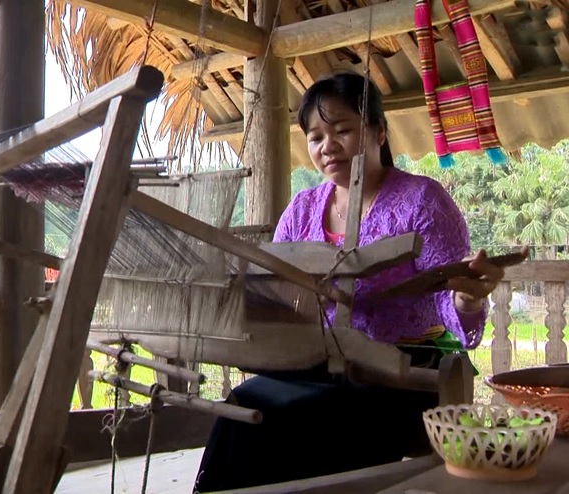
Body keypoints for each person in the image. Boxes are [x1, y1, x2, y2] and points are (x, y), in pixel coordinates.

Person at [192, 72, 511, 492]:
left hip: (403, 373)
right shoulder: (302, 209)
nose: (327, 146)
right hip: (319, 366)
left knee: (306, 419)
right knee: (244, 408)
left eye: (342, 130)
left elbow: (446, 299)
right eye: (315, 137)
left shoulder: (422, 201)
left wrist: (467, 301)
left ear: (379, 131)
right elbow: (274, 291)